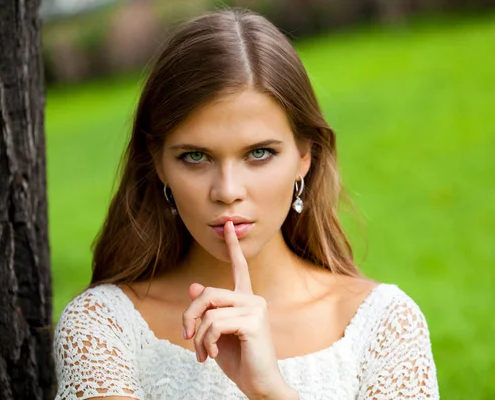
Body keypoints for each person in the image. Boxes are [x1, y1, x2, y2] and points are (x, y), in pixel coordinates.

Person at [53, 8, 439, 400]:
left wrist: (270, 391)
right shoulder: (103, 327)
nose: (227, 190)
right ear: (158, 163)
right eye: (195, 157)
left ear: (305, 155)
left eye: (259, 153)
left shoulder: (385, 325)